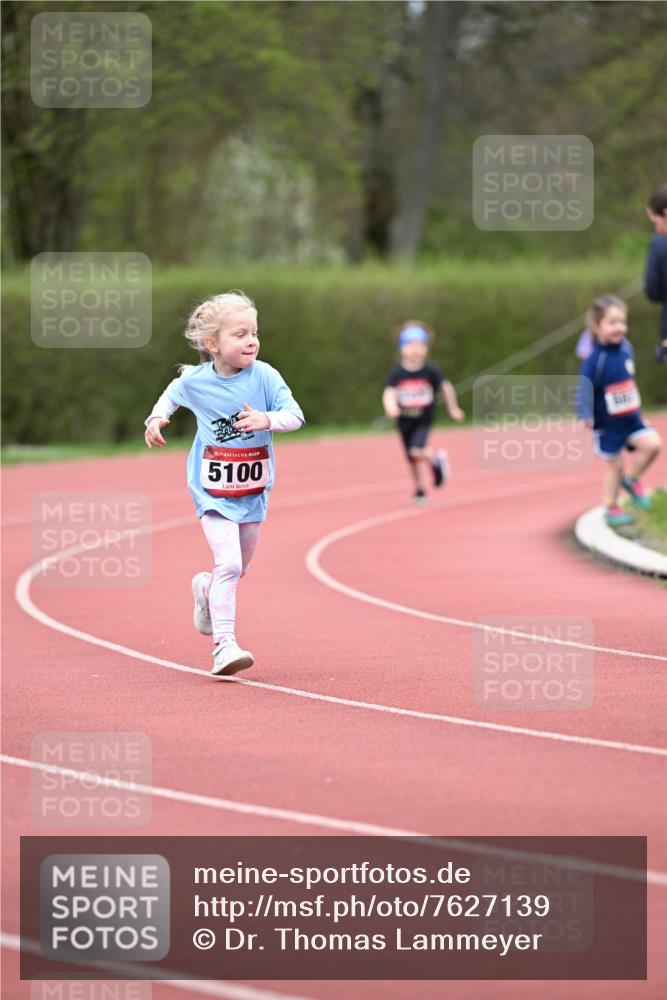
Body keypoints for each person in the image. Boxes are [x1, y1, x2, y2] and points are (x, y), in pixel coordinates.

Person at [144, 291, 304, 676]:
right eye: (240, 334)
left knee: (238, 568)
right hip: (211, 489)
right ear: (213, 344)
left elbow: (295, 416)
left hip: (252, 491)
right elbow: (172, 394)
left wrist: (267, 420)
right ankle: (224, 646)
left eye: (255, 332)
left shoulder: (265, 376)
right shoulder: (196, 381)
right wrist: (156, 418)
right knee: (229, 564)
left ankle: (204, 590)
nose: (252, 340)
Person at [577, 295, 661, 527]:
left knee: (653, 445)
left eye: (622, 322)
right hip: (608, 425)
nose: (619, 328)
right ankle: (611, 507)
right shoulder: (595, 360)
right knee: (616, 465)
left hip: (631, 419)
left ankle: (632, 481)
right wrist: (584, 413)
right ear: (597, 327)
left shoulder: (626, 348)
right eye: (612, 323)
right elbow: (583, 387)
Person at [382, 321, 464, 505]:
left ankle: (436, 460)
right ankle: (419, 489)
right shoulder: (397, 372)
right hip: (404, 421)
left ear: (426, 348)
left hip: (423, 419)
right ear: (401, 348)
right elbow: (389, 392)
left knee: (416, 450)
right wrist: (391, 408)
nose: (415, 350)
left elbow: (445, 387)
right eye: (411, 346)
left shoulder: (430, 370)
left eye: (420, 346)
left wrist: (454, 409)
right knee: (411, 459)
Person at [644, 183, 667, 358]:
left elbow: (653, 292)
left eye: (655, 222)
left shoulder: (659, 243)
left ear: (665, 213)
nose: (656, 229)